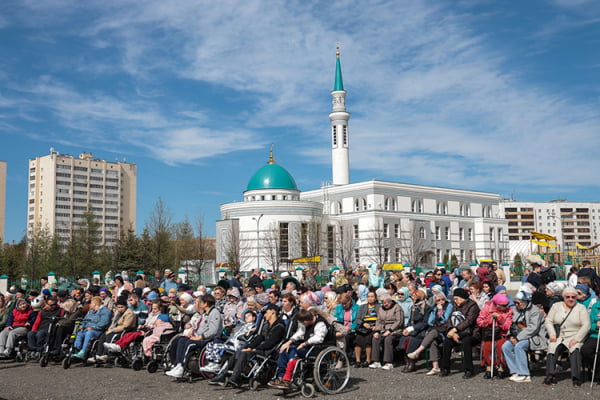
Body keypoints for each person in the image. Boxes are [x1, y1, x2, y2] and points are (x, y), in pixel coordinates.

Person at [210, 303, 286, 387]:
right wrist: (250, 346)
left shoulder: (279, 326)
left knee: (244, 353)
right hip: (261, 347)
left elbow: (271, 342)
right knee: (238, 352)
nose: (264, 315)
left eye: (266, 312)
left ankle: (235, 376)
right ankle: (223, 374)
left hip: (268, 351)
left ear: (273, 312)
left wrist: (254, 349)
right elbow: (260, 337)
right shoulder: (267, 325)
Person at [268, 308, 332, 389]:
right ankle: (280, 376)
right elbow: (299, 333)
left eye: (301, 322)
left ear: (305, 321)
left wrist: (305, 343)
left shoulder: (320, 324)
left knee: (293, 352)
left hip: (317, 348)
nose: (301, 324)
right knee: (284, 350)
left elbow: (319, 338)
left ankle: (287, 379)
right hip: (307, 347)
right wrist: (289, 342)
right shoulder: (307, 324)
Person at [544, 287, 590, 387]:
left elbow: (586, 325)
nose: (570, 299)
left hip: (575, 335)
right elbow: (548, 321)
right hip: (559, 335)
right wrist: (552, 333)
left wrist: (576, 339)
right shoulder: (556, 306)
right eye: (568, 297)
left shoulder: (581, 308)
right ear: (563, 297)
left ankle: (576, 377)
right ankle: (550, 375)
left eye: (573, 297)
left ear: (576, 298)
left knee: (575, 349)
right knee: (552, 348)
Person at [166, 294, 222, 378]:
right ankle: (176, 364)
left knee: (189, 343)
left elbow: (213, 331)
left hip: (208, 339)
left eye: (201, 302)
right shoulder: (205, 313)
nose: (199, 304)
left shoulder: (214, 313)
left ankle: (182, 367)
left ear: (206, 303)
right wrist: (192, 333)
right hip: (197, 336)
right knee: (179, 340)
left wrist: (199, 337)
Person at [502, 290, 546, 383]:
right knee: (505, 346)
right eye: (514, 302)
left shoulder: (535, 311)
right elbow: (512, 324)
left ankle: (524, 374)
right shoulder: (516, 310)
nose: (516, 305)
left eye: (518, 303)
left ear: (525, 302)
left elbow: (533, 328)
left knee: (519, 346)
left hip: (534, 337)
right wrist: (511, 336)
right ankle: (515, 371)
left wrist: (518, 338)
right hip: (518, 335)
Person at [407, 292, 453, 375]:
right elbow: (430, 321)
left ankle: (417, 352)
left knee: (433, 332)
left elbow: (445, 319)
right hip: (437, 330)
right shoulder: (434, 308)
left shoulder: (449, 306)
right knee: (433, 341)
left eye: (442, 299)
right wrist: (437, 318)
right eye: (438, 300)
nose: (440, 301)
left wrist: (440, 311)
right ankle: (435, 367)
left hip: (446, 331)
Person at [439, 287, 480, 379]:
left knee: (466, 342)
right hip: (456, 332)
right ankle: (445, 368)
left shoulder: (473, 306)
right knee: (447, 342)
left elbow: (469, 321)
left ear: (462, 298)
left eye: (456, 298)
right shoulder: (455, 305)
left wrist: (455, 330)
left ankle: (469, 369)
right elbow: (450, 319)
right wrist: (451, 331)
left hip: (472, 333)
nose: (455, 300)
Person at [476, 293, 513, 379]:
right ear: (497, 305)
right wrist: (489, 320)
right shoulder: (487, 308)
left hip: (501, 334)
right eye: (503, 305)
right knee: (487, 347)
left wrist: (500, 318)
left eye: (507, 305)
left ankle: (501, 368)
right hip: (489, 333)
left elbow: (507, 326)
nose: (506, 307)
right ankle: (488, 367)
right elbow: (479, 321)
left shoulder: (509, 311)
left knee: (500, 346)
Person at [396, 289, 432, 372]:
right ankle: (407, 362)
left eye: (414, 296)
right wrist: (407, 328)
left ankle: (412, 363)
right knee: (404, 338)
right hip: (412, 328)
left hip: (421, 330)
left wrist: (412, 328)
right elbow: (410, 320)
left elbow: (425, 322)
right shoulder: (414, 306)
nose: (412, 297)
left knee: (411, 340)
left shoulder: (426, 307)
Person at [92, 296, 136, 362]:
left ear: (126, 306)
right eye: (118, 307)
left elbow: (125, 326)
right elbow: (113, 323)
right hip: (115, 328)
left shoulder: (129, 313)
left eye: (122, 307)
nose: (120, 309)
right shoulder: (117, 313)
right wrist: (109, 329)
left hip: (124, 330)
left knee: (109, 336)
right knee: (103, 336)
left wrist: (113, 330)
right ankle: (99, 354)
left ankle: (107, 354)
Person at [369, 293, 404, 370]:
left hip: (395, 330)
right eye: (383, 302)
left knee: (388, 339)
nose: (384, 304)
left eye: (386, 303)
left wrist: (390, 330)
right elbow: (378, 321)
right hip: (383, 329)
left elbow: (399, 321)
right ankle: (376, 361)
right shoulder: (381, 308)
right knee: (375, 338)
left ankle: (388, 362)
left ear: (390, 301)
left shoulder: (397, 307)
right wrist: (377, 331)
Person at [354, 290, 379, 367]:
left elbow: (381, 319)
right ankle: (357, 360)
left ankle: (368, 360)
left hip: (373, 328)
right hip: (364, 328)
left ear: (375, 298)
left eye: (372, 296)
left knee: (368, 340)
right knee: (358, 339)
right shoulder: (363, 307)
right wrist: (363, 323)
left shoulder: (379, 307)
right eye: (368, 296)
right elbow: (357, 318)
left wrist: (376, 326)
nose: (370, 298)